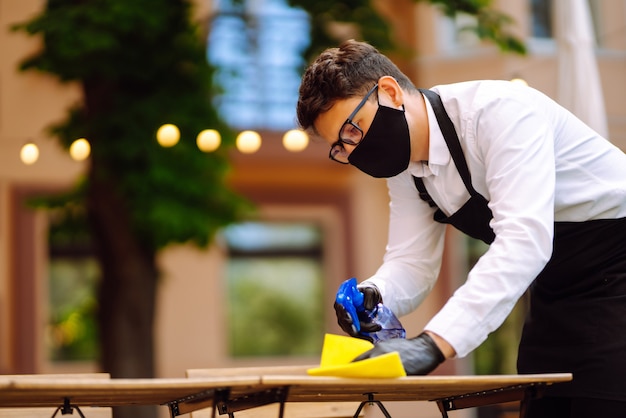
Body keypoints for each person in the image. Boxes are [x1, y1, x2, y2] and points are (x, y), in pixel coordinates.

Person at [296, 39, 626, 417]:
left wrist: (434, 343)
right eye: (340, 147)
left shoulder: (499, 113)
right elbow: (411, 263)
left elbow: (523, 242)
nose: (353, 152)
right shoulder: (408, 171)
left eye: (352, 131)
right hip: (554, 292)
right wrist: (376, 293)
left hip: (618, 274)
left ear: (388, 92)